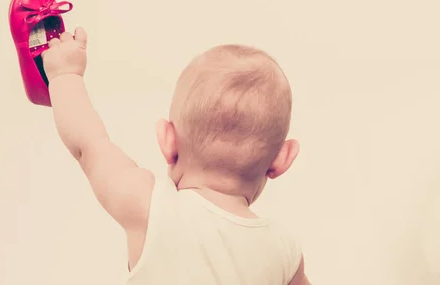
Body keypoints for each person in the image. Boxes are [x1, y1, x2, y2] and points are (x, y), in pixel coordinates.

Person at [41, 27, 310, 285]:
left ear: (169, 141)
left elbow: (89, 145)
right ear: (282, 158)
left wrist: (65, 76)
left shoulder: (151, 208)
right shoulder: (283, 250)